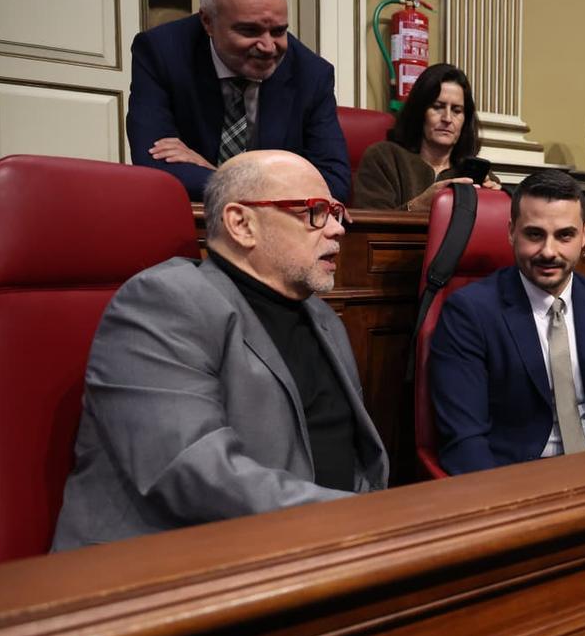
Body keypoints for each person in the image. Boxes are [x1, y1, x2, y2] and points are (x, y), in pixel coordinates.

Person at [52, 150, 389, 551]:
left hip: (322, 548)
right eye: (315, 211)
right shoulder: (163, 302)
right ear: (241, 224)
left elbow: (355, 458)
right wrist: (359, 517)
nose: (337, 229)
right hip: (173, 564)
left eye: (335, 211)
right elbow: (194, 471)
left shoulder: (323, 317)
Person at [428, 169, 585, 475]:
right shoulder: (469, 312)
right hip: (517, 477)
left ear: (584, 234)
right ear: (511, 232)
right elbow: (464, 442)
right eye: (534, 234)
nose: (549, 252)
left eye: (564, 235)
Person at [126, 0, 350, 203]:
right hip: (191, 217)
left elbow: (334, 185)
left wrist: (222, 175)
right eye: (250, 31)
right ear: (208, 22)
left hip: (273, 224)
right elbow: (156, 166)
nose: (268, 47)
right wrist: (273, 187)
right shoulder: (161, 52)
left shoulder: (311, 74)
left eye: (278, 31)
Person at [353, 63, 501, 210]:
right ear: (420, 111)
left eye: (456, 111)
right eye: (437, 107)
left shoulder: (477, 175)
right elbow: (372, 222)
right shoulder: (384, 158)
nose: (447, 118)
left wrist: (497, 204)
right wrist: (418, 206)